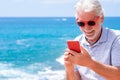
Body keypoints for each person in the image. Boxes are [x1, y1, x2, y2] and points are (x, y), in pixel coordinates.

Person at [64, 0, 120, 80]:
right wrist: (69, 69)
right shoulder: (77, 41)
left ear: (102, 18)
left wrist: (89, 63)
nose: (87, 28)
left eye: (91, 23)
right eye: (81, 24)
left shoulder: (116, 38)